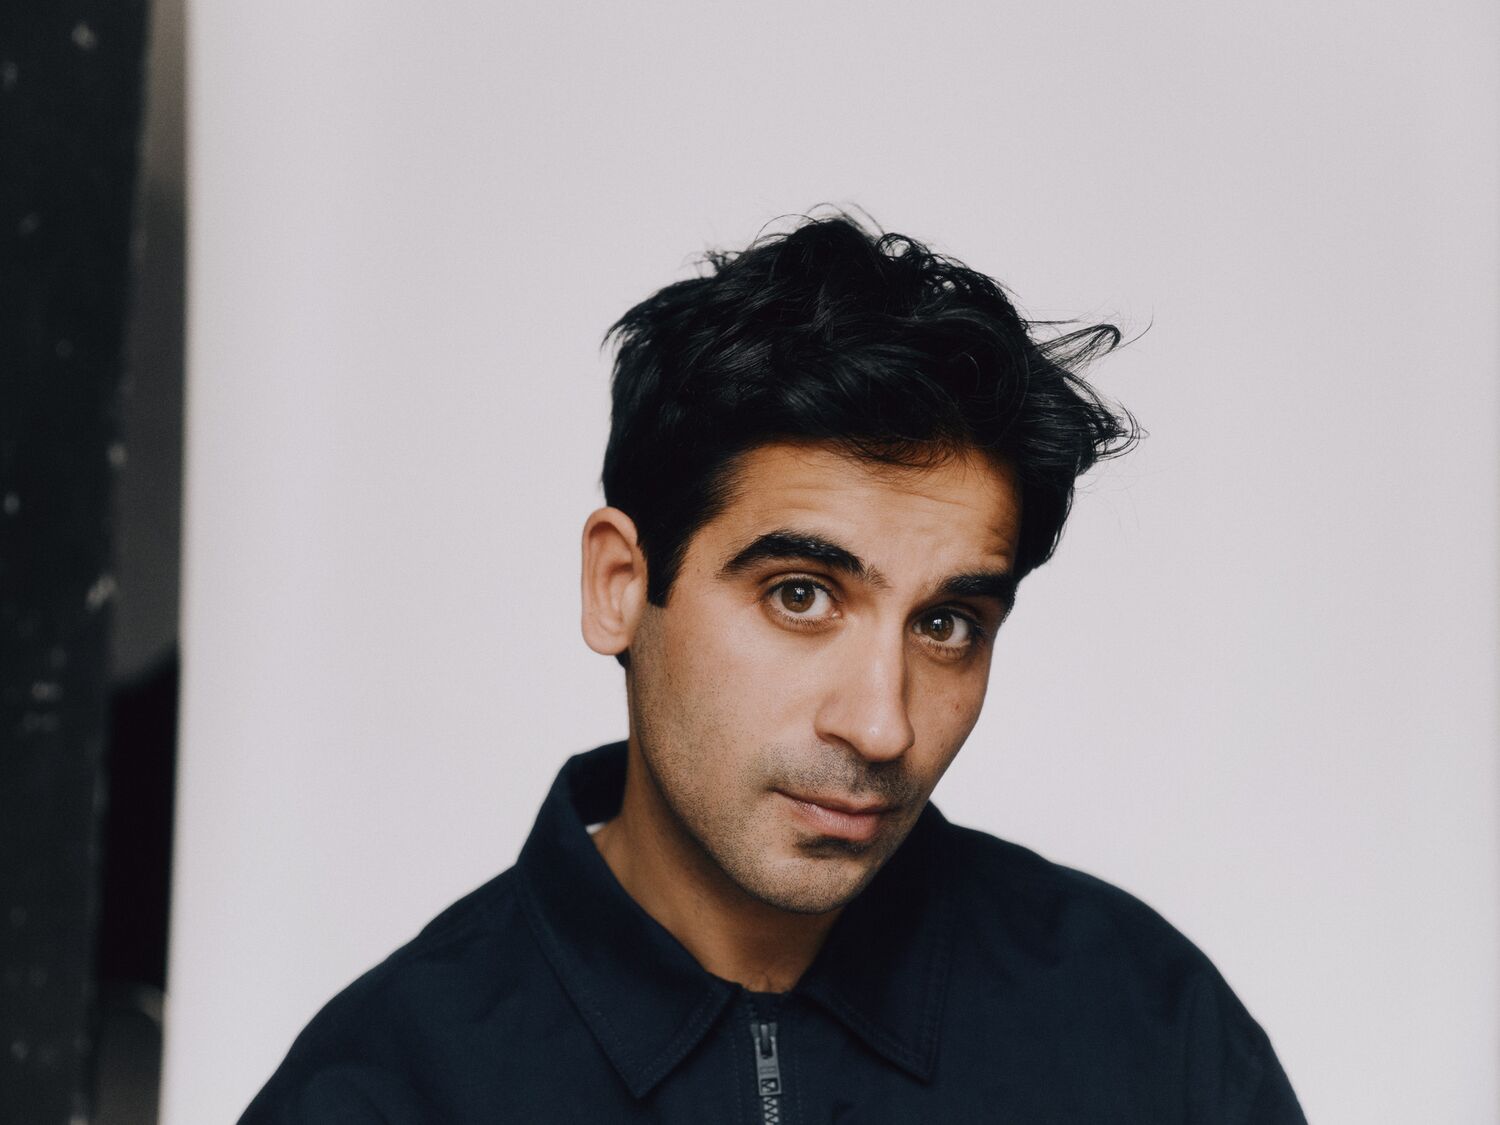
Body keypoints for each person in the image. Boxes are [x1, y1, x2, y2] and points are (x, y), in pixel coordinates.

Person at [240, 214, 1306, 1123]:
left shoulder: (1149, 1029)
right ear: (620, 584)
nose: (882, 725)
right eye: (801, 594)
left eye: (947, 624)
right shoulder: (385, 1089)